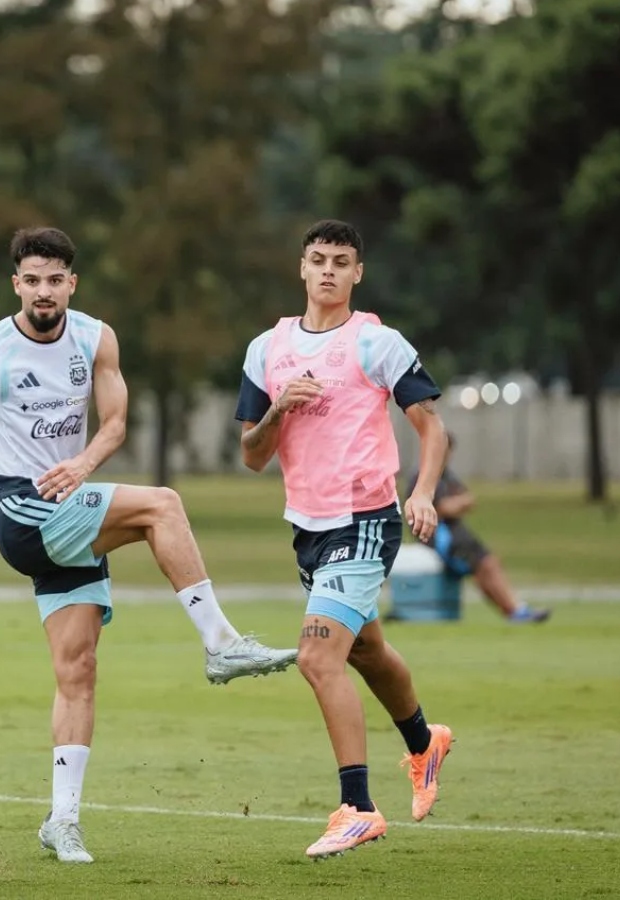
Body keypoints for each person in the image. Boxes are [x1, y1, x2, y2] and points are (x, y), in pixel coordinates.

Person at [0, 226, 297, 864]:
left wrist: (83, 463)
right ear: (15, 284)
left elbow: (117, 421)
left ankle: (62, 821)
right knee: (164, 504)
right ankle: (221, 643)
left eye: (55, 280)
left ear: (72, 282)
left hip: (70, 507)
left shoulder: (96, 338)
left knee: (78, 673)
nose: (44, 291)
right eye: (32, 280)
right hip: (22, 511)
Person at [235, 219, 453, 860]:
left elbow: (432, 428)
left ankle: (357, 806)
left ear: (358, 273)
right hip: (307, 526)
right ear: (301, 268)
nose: (328, 270)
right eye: (318, 260)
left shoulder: (375, 343)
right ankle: (424, 742)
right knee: (366, 652)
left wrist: (421, 492)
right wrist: (279, 411)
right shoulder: (266, 350)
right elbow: (251, 455)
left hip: (365, 518)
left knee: (316, 657)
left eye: (342, 261)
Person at [406, 433, 550, 623]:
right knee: (484, 565)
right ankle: (515, 610)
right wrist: (455, 505)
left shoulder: (447, 475)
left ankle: (514, 610)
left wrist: (455, 505)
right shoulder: (424, 476)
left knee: (487, 565)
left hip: (457, 535)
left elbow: (468, 500)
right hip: (441, 538)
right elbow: (442, 507)